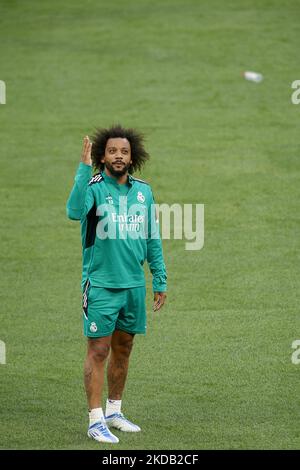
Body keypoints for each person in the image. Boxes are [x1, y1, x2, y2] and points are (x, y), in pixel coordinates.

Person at [66, 125, 167, 444]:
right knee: (99, 349)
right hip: (100, 285)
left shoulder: (144, 191)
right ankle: (95, 419)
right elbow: (73, 211)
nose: (119, 156)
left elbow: (152, 236)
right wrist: (83, 170)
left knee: (124, 349)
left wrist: (159, 277)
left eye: (124, 151)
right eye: (112, 151)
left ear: (132, 156)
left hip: (133, 286)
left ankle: (114, 411)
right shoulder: (94, 187)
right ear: (102, 156)